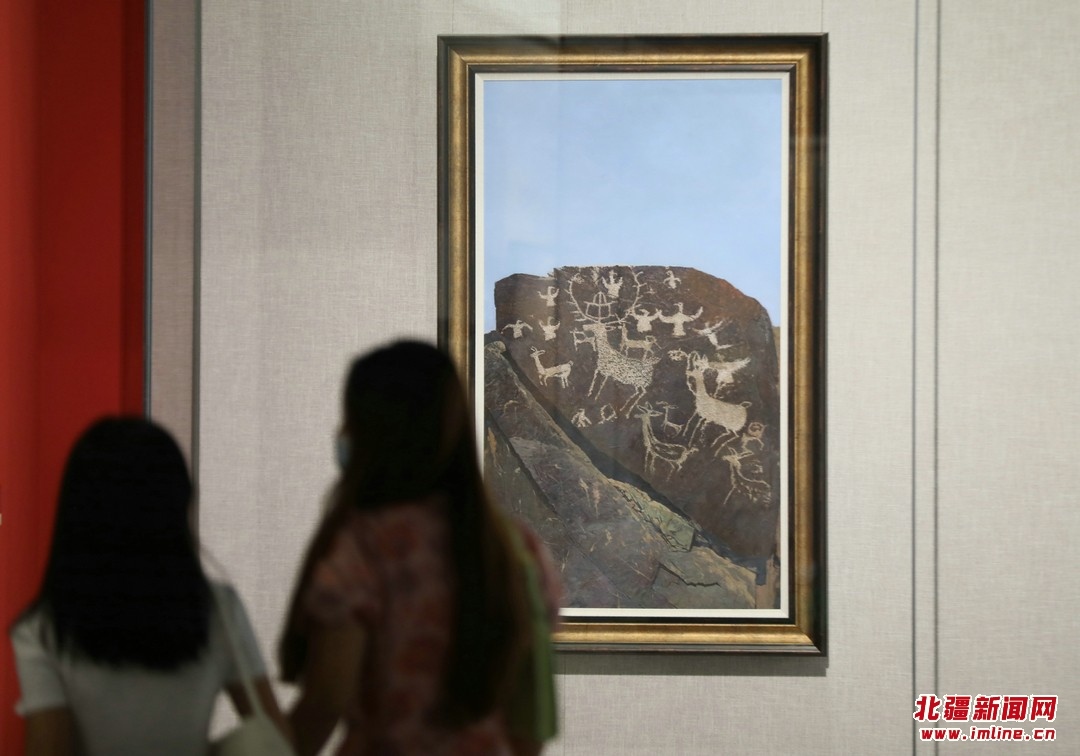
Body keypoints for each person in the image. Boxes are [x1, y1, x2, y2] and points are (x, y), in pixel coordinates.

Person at [279, 341, 561, 756]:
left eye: (349, 421)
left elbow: (325, 702)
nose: (341, 434)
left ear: (372, 432)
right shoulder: (517, 549)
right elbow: (529, 723)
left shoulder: (364, 546)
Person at [9, 417, 291, 755]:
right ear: (179, 505)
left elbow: (49, 747)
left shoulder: (43, 631)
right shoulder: (218, 610)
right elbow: (276, 738)